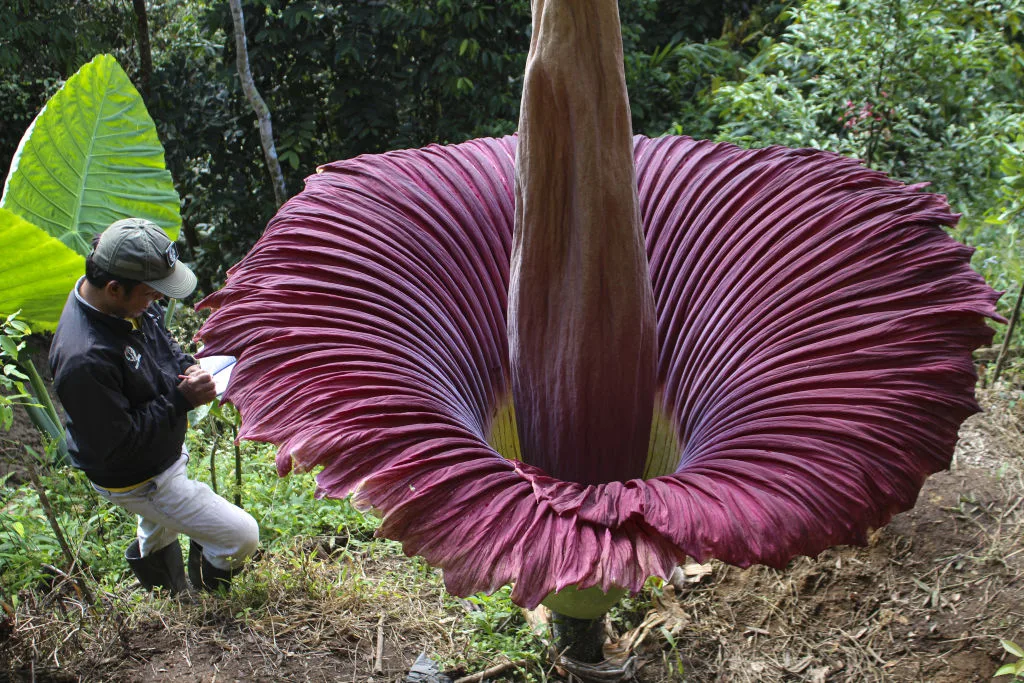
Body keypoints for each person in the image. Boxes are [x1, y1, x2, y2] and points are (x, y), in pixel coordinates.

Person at [49, 217, 259, 595]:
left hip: (156, 453)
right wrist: (181, 400)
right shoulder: (84, 360)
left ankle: (171, 594)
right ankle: (209, 600)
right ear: (114, 288)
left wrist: (185, 366)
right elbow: (120, 442)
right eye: (151, 294)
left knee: (157, 529)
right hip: (138, 476)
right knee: (241, 536)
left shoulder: (119, 305)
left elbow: (158, 336)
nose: (157, 301)